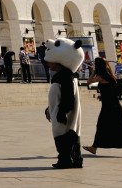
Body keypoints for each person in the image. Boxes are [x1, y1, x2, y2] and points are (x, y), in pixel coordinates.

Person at [83, 57, 122, 158]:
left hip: (110, 107)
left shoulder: (101, 76)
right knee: (108, 126)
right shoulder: (109, 74)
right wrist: (102, 96)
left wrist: (93, 72)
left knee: (118, 127)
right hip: (112, 105)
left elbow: (89, 82)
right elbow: (109, 90)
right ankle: (94, 147)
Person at [44, 37, 85, 170]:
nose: (48, 64)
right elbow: (59, 96)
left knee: (64, 136)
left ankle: (66, 160)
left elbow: (67, 97)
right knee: (72, 136)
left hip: (65, 114)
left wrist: (62, 111)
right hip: (64, 111)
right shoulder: (66, 75)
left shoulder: (65, 76)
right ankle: (75, 159)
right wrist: (49, 109)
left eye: (50, 62)